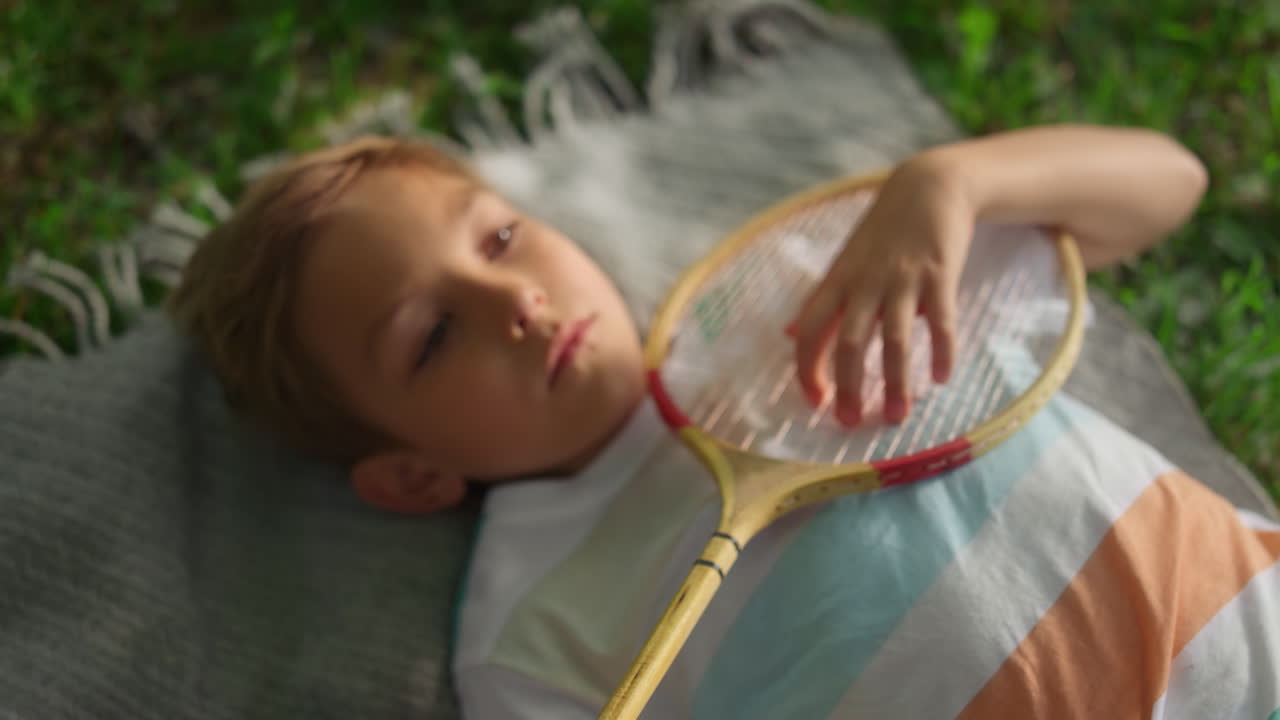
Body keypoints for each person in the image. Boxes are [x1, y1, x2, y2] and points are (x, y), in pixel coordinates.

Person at [169, 126, 1280, 718]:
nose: (515, 305)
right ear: (409, 476)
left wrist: (948, 186)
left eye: (500, 240)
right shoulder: (518, 635)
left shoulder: (811, 287)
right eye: (432, 336)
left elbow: (1165, 182)